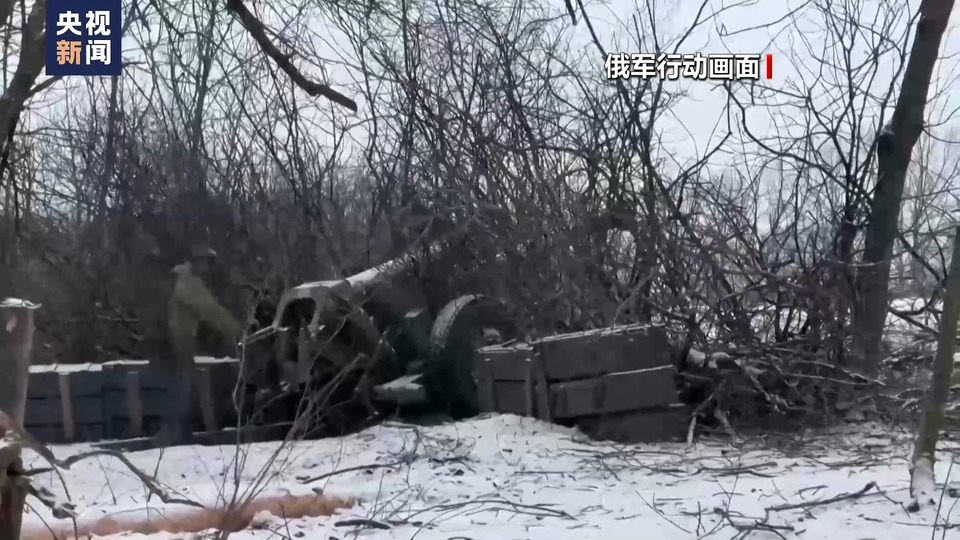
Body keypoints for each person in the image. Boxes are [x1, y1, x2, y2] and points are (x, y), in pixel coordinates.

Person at [157, 245, 243, 445]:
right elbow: (210, 310)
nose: (207, 267)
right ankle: (176, 433)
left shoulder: (183, 280)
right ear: (195, 262)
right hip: (178, 340)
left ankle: (178, 431)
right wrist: (238, 329)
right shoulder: (187, 282)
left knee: (181, 385)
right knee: (182, 385)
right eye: (204, 262)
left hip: (177, 340)